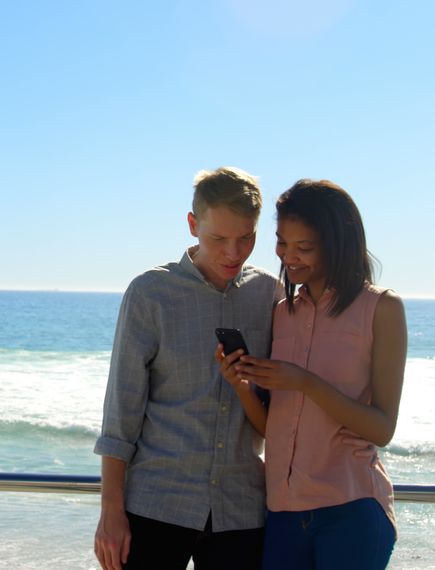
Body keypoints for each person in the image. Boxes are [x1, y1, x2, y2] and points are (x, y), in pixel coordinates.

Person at [93, 166, 281, 570]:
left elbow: (278, 411)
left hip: (242, 509)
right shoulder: (150, 293)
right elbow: (120, 412)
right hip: (155, 503)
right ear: (193, 224)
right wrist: (111, 512)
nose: (233, 252)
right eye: (219, 239)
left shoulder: (271, 294)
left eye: (246, 238)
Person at [220, 179, 407, 569]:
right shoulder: (282, 313)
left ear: (338, 243)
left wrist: (304, 382)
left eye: (303, 247)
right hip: (283, 514)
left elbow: (382, 428)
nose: (288, 256)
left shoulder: (382, 309)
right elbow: (275, 428)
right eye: (282, 243)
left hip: (351, 510)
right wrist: (241, 386)